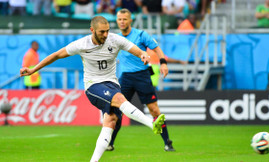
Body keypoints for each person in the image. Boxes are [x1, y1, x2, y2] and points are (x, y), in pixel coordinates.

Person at [20, 16, 165, 162]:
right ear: (92, 30)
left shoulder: (114, 39)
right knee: (120, 100)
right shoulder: (82, 44)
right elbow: (56, 55)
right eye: (102, 32)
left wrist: (143, 54)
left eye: (107, 31)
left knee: (111, 121)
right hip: (93, 86)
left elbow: (134, 48)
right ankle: (151, 124)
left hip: (112, 84)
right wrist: (33, 70)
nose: (105, 35)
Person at [106, 8, 175, 152]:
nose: (122, 22)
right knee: (117, 112)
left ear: (130, 20)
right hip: (125, 79)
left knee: (154, 110)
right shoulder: (116, 39)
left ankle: (167, 142)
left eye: (125, 19)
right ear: (117, 21)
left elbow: (157, 49)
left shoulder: (141, 35)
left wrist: (163, 63)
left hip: (142, 76)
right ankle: (110, 143)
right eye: (120, 19)